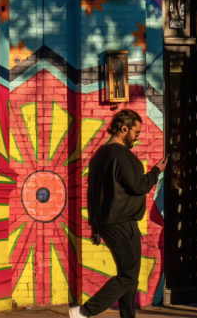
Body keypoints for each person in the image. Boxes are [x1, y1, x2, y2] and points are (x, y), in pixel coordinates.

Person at [69, 109, 168, 318]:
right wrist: (156, 171)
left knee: (128, 275)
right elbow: (139, 186)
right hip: (122, 223)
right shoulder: (122, 156)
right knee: (128, 276)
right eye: (136, 132)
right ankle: (84, 312)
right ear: (124, 129)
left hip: (107, 223)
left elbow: (93, 193)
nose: (137, 137)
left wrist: (95, 225)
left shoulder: (99, 155)